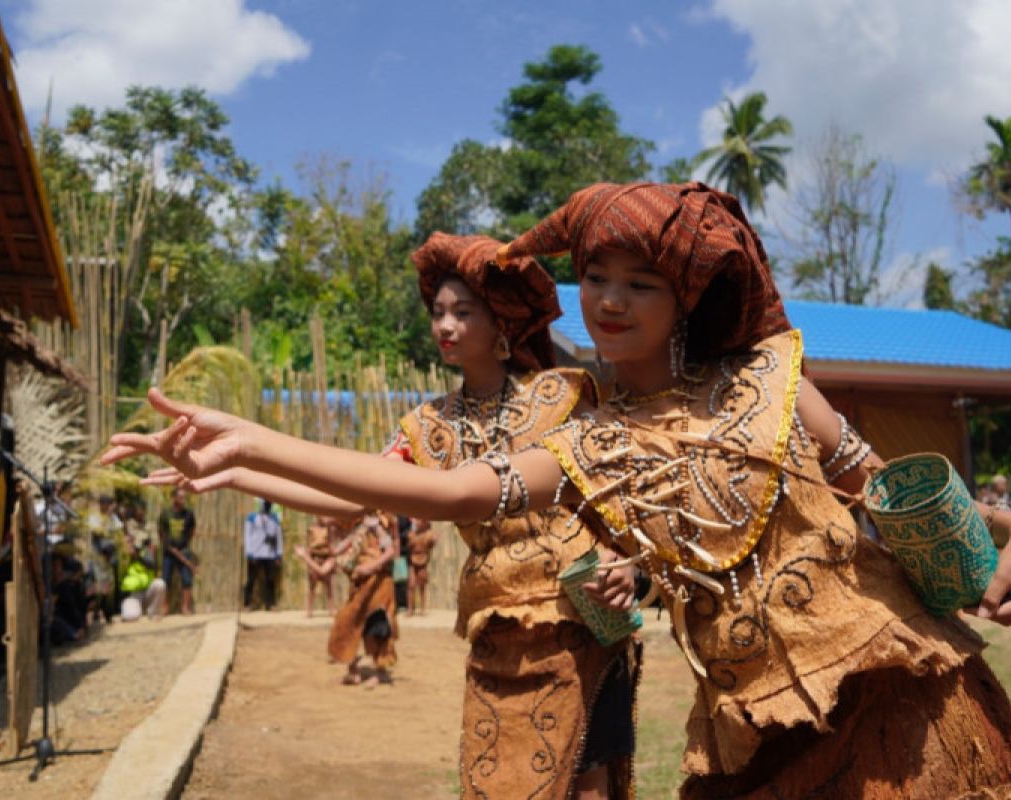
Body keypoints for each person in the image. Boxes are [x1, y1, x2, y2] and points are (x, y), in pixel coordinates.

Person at [104, 183, 1011, 799]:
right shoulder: (588, 442)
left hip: (903, 701)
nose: (607, 299)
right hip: (756, 737)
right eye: (594, 276)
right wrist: (249, 448)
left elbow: (889, 489)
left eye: (639, 282)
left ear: (686, 296)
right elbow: (451, 494)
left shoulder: (771, 381)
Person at [118, 233, 639, 800]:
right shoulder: (426, 426)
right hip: (498, 632)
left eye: (464, 313)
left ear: (502, 325)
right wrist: (230, 475)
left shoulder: (561, 396)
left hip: (581, 619)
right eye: (438, 312)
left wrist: (627, 558)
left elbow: (620, 485)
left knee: (589, 787)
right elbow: (356, 497)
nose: (445, 325)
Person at [329, 513, 397, 686]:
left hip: (379, 583)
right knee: (347, 621)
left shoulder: (377, 525)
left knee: (377, 626)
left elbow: (390, 551)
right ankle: (353, 671)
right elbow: (336, 550)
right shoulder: (358, 529)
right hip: (360, 584)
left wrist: (371, 567)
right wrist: (331, 529)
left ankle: (381, 672)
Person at [119, 504, 166, 621]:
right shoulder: (125, 550)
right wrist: (130, 548)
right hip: (134, 592)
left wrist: (139, 554)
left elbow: (152, 556)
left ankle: (153, 611)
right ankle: (133, 608)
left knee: (160, 584)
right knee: (131, 616)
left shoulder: (148, 554)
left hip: (148, 589)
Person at [84, 494, 124, 623]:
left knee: (109, 587)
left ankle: (108, 613)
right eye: (106, 504)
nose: (107, 506)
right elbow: (98, 532)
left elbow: (118, 532)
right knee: (99, 587)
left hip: (109, 556)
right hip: (98, 557)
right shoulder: (95, 518)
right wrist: (106, 518)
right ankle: (96, 612)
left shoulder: (114, 518)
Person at [158, 488, 197, 615]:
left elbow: (191, 531)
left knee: (187, 579)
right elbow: (161, 534)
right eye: (180, 497)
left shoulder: (189, 514)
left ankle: (185, 607)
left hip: (184, 550)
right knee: (165, 580)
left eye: (184, 497)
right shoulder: (165, 514)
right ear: (174, 498)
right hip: (169, 552)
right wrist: (170, 547)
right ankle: (164, 607)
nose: (183, 500)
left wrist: (183, 547)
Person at [295, 515, 339, 616]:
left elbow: (332, 546)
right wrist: (309, 556)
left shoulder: (330, 529)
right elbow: (309, 544)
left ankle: (331, 609)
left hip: (326, 557)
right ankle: (309, 610)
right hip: (315, 558)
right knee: (312, 586)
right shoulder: (311, 529)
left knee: (328, 586)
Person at [244, 499, 283, 611]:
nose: (267, 505)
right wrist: (249, 552)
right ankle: (247, 603)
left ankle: (270, 604)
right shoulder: (252, 518)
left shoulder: (274, 519)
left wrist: (278, 553)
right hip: (255, 554)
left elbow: (278, 537)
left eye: (269, 503)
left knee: (270, 580)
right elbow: (248, 536)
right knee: (251, 579)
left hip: (270, 554)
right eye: (265, 503)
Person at [405, 518, 436, 616]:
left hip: (423, 561)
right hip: (412, 561)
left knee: (422, 585)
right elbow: (408, 546)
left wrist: (432, 541)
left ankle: (422, 608)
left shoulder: (428, 535)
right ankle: (410, 609)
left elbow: (431, 544)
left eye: (420, 522)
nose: (418, 523)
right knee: (411, 584)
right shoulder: (411, 534)